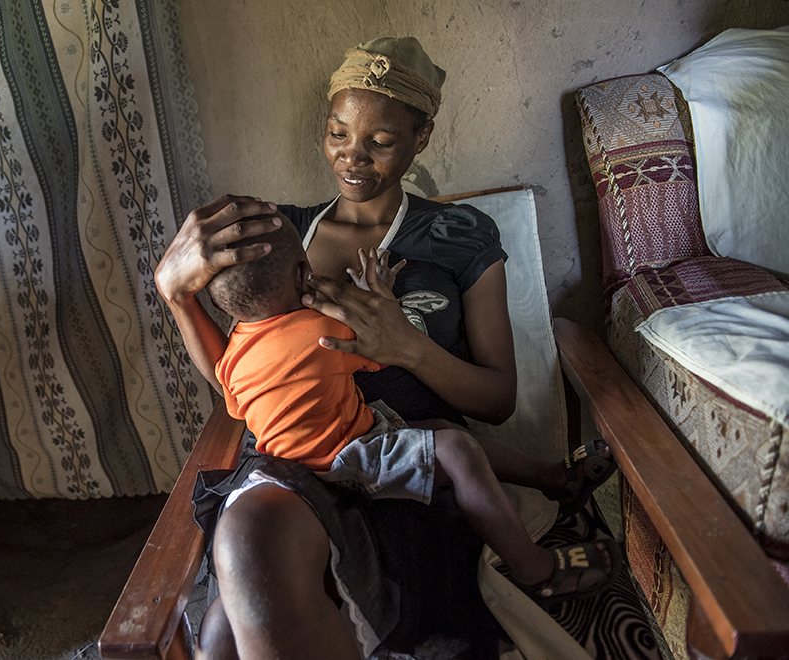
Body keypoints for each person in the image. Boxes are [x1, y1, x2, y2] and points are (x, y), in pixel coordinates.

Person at [155, 36, 618, 660]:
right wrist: (177, 296)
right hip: (297, 462)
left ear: (421, 138)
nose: (353, 157)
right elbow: (247, 379)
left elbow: (498, 400)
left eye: (381, 140)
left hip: (403, 468)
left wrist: (406, 347)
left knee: (259, 608)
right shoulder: (280, 237)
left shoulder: (460, 236)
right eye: (338, 133)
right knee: (245, 542)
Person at [202, 207, 619, 599]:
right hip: (347, 463)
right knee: (457, 450)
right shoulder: (322, 327)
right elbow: (382, 347)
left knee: (437, 430)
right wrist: (377, 294)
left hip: (289, 472)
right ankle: (534, 567)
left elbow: (239, 409)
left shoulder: (232, 358)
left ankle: (555, 480)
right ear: (301, 273)